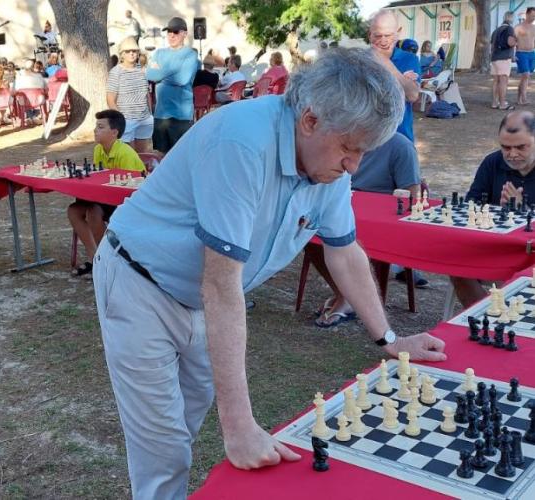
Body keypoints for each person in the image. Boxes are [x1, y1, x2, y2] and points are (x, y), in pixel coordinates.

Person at [93, 48, 446, 500]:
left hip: (198, 296)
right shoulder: (241, 142)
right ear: (310, 120)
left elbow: (344, 252)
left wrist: (390, 340)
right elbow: (220, 282)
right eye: (350, 148)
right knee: (162, 447)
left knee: (184, 423)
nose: (355, 166)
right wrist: (239, 426)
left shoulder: (328, 164)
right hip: (139, 281)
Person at [309, 132, 422, 327]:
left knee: (342, 238)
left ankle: (350, 298)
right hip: (344, 212)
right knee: (310, 235)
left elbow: (411, 196)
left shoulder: (401, 147)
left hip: (381, 223)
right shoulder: (341, 140)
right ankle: (343, 294)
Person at [451, 110, 535, 306]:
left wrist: (524, 211)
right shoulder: (493, 162)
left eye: (521, 147)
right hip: (497, 247)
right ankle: (488, 314)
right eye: (505, 147)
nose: (512, 154)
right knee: (454, 262)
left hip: (531, 254)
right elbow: (470, 206)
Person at [67, 109, 145, 277]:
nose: (95, 130)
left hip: (128, 202)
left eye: (101, 127)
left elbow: (130, 189)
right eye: (96, 126)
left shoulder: (125, 153)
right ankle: (95, 257)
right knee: (73, 210)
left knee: (93, 212)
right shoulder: (98, 150)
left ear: (114, 133)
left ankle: (108, 259)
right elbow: (98, 179)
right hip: (104, 197)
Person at [146, 17, 198, 153]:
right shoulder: (159, 53)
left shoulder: (190, 54)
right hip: (161, 114)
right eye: (169, 32)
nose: (171, 35)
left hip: (181, 115)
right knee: (160, 155)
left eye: (175, 32)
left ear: (185, 34)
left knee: (181, 155)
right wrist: (175, 70)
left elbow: (182, 79)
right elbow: (150, 75)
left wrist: (160, 73)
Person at [368, 10, 420, 142]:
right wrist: (402, 80)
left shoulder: (409, 59)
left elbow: (412, 95)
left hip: (400, 137)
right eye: (378, 36)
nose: (383, 41)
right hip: (367, 140)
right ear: (369, 35)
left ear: (398, 33)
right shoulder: (359, 60)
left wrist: (385, 62)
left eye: (388, 35)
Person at [107, 37, 153, 153]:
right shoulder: (115, 72)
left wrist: (150, 113)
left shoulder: (142, 70)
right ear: (122, 54)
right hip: (127, 120)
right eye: (128, 51)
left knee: (144, 154)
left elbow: (146, 93)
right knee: (128, 156)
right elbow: (110, 99)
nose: (131, 53)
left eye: (134, 51)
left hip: (144, 118)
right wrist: (120, 120)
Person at [491, 11, 517, 110]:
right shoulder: (510, 29)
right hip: (504, 57)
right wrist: (517, 40)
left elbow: (492, 46)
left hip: (494, 58)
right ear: (511, 18)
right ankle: (502, 104)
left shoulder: (496, 30)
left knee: (496, 81)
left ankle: (495, 102)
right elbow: (510, 43)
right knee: (503, 81)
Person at [516, 8, 535, 105]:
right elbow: (513, 41)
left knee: (525, 77)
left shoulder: (534, 27)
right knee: (526, 75)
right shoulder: (518, 27)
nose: (533, 18)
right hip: (521, 53)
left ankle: (519, 99)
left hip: (532, 53)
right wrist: (512, 55)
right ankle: (524, 98)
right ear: (527, 15)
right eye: (532, 15)